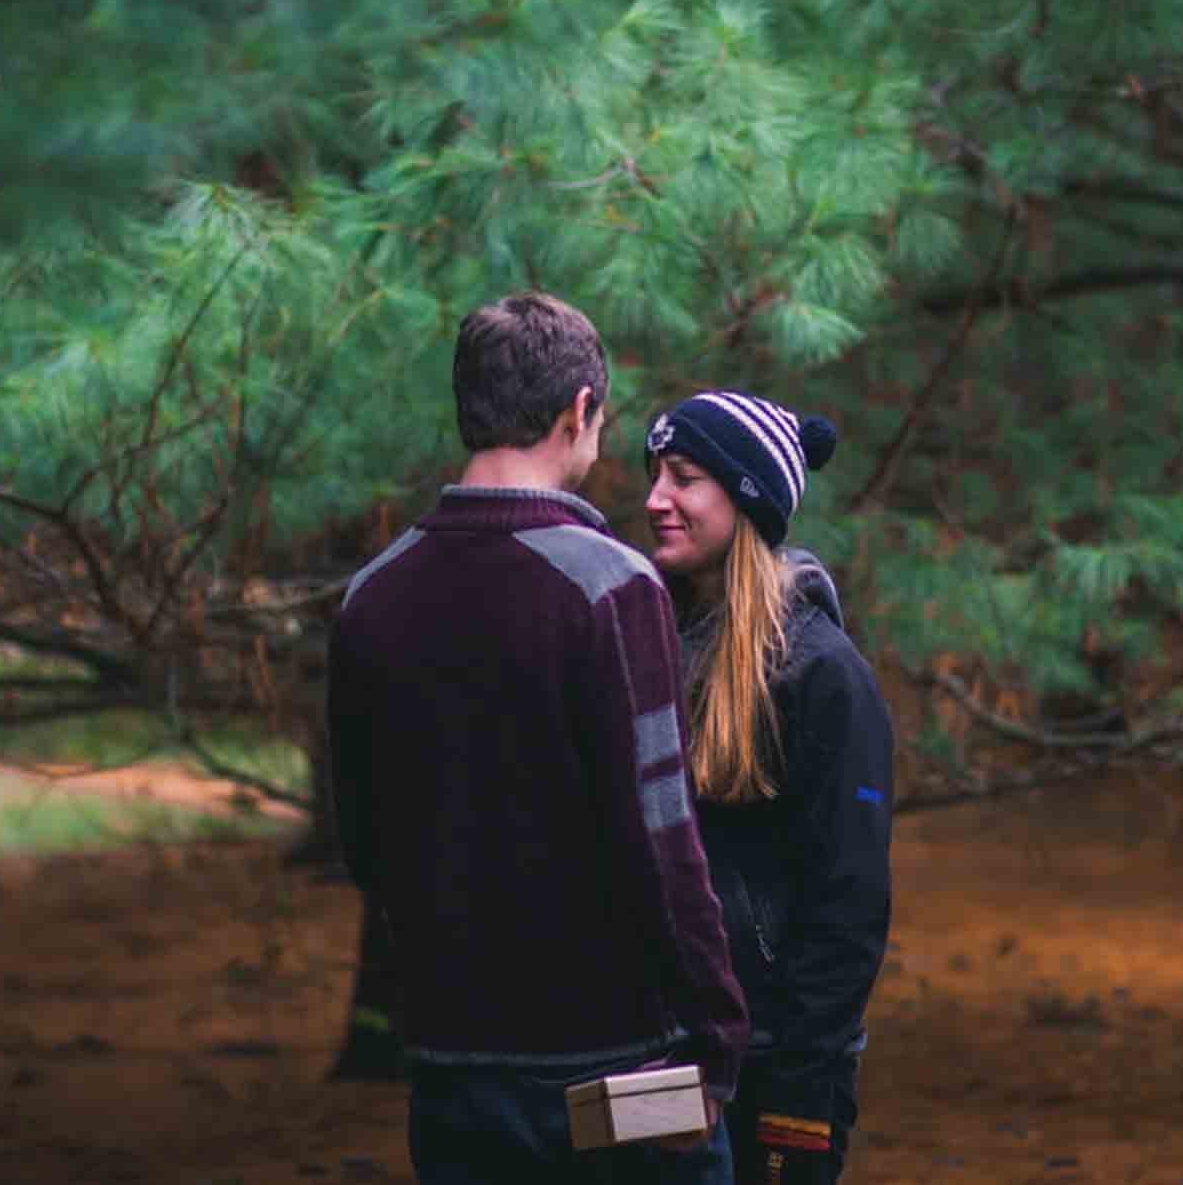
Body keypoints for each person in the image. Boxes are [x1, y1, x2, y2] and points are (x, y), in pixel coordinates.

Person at [328, 292, 749, 1184]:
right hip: (612, 1066)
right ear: (580, 412)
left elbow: (363, 844)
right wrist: (717, 1039)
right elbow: (662, 840)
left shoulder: (372, 595)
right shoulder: (611, 587)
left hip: (447, 1068)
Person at [641, 392, 895, 1185]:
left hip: (781, 1073)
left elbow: (848, 904)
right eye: (653, 474)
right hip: (660, 1058)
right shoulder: (644, 645)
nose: (655, 499)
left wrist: (795, 1075)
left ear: (745, 497)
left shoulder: (823, 677)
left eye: (684, 477)